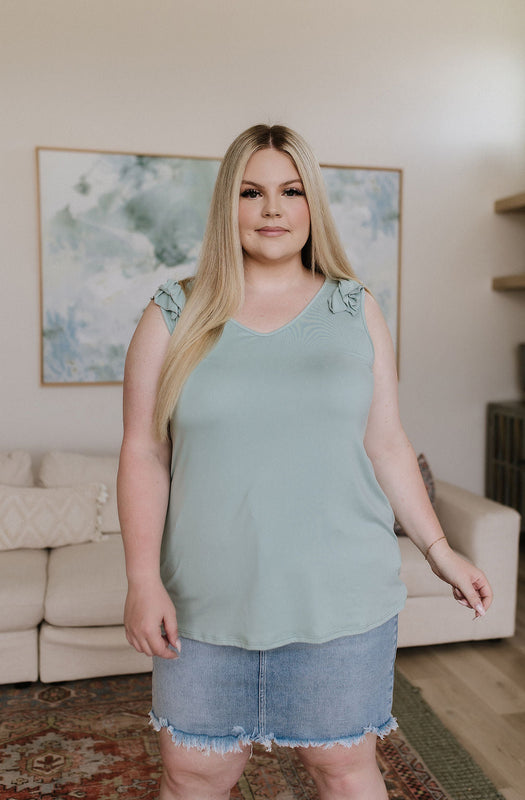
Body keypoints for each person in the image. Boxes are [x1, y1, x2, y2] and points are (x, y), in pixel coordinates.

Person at [117, 124, 493, 800]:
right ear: (226, 205)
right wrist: (142, 579)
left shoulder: (354, 308)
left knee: (341, 770)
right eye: (251, 192)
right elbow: (145, 452)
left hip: (342, 599)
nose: (272, 209)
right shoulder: (172, 313)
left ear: (312, 204)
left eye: (291, 191)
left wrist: (440, 552)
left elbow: (386, 443)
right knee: (194, 774)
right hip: (204, 604)